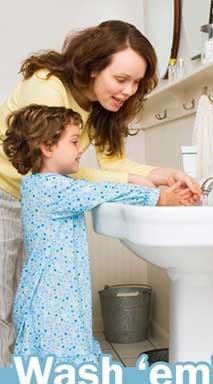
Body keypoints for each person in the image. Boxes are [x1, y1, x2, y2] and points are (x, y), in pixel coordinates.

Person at [0, 19, 201, 366]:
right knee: (3, 306)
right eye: (121, 79)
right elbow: (66, 177)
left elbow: (114, 164)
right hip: (5, 191)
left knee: (23, 307)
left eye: (136, 82)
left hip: (41, 200)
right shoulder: (48, 91)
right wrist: (143, 190)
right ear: (93, 67)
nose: (127, 91)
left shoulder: (101, 107)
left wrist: (161, 174)